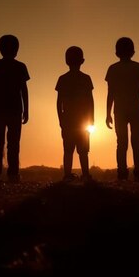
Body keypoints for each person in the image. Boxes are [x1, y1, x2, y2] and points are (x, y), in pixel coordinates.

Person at [0, 34, 30, 183]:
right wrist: (26, 110)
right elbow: (24, 90)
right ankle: (13, 174)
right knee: (13, 143)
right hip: (15, 109)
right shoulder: (20, 67)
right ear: (17, 49)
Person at [105, 37, 139, 181]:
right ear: (133, 51)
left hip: (119, 111)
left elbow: (110, 93)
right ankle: (138, 172)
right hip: (135, 109)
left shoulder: (113, 69)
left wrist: (107, 113)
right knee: (137, 142)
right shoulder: (138, 67)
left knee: (121, 142)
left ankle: (122, 173)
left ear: (116, 52)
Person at [55, 46, 94, 182]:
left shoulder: (62, 79)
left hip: (68, 120)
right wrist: (91, 119)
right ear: (82, 61)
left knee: (68, 149)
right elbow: (91, 101)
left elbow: (58, 102)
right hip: (82, 120)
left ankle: (67, 174)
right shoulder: (86, 79)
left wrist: (60, 118)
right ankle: (85, 173)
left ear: (66, 61)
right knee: (83, 150)